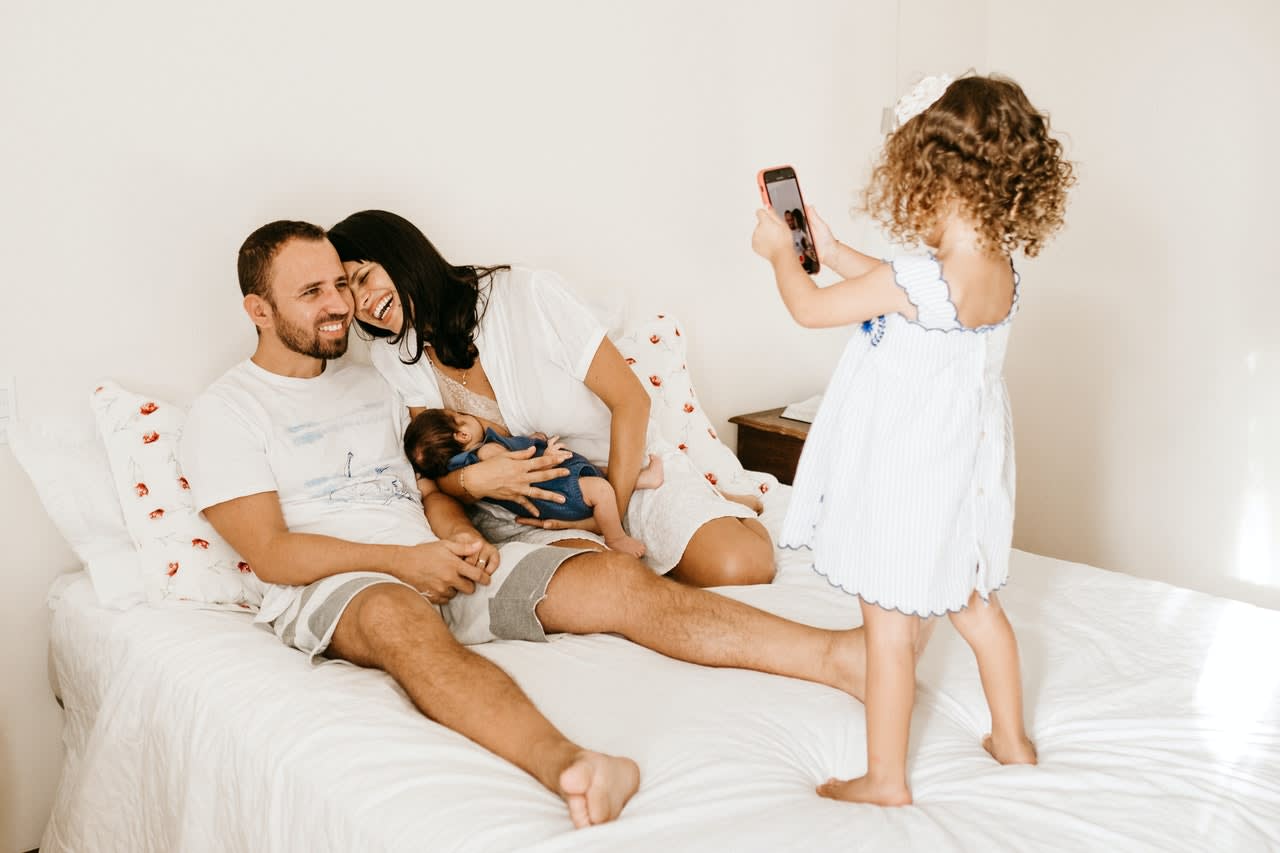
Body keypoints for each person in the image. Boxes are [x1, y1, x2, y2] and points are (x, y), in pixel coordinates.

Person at [180, 220, 874, 829]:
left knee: (611, 575)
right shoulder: (228, 411)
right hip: (350, 579)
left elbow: (428, 487)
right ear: (257, 309)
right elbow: (271, 553)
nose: (340, 306)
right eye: (314, 293)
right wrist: (405, 562)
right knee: (397, 616)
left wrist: (458, 534)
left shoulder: (376, 381)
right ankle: (572, 765)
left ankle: (838, 656)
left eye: (341, 284)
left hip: (443, 555)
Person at [750, 74, 1074, 807]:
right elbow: (897, 285)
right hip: (965, 479)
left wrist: (781, 252)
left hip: (910, 480)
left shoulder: (924, 279)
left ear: (938, 181)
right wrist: (830, 248)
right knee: (978, 608)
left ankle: (886, 778)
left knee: (888, 633)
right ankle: (1013, 739)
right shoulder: (996, 272)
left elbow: (812, 310)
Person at [326, 210, 776, 588]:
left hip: (624, 475)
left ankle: (727, 504)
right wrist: (472, 485)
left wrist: (606, 519)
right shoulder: (394, 353)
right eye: (349, 291)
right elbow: (436, 467)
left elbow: (631, 402)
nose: (363, 301)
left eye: (364, 277)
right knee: (603, 587)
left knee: (740, 568)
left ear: (402, 255)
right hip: (529, 511)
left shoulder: (525, 294)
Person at [404, 406, 664, 558]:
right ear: (462, 433)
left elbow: (515, 454)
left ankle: (644, 479)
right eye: (462, 415)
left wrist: (531, 438)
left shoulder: (475, 459)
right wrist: (547, 455)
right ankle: (616, 537)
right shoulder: (486, 453)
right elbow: (524, 467)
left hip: (548, 500)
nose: (470, 415)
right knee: (601, 488)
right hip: (558, 490)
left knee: (597, 472)